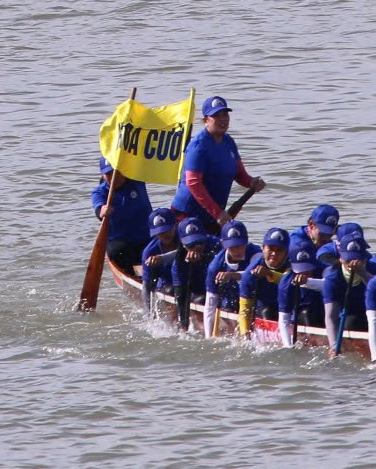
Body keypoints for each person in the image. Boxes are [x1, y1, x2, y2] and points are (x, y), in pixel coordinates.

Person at [170, 96, 264, 227]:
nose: (222, 119)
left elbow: (239, 174)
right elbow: (193, 183)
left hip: (213, 214)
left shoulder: (229, 141)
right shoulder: (198, 146)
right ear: (206, 121)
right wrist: (217, 213)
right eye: (216, 115)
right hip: (186, 213)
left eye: (225, 114)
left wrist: (251, 182)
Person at [92, 159, 152, 273]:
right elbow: (99, 210)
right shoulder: (100, 192)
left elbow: (143, 160)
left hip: (146, 238)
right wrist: (102, 211)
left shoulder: (137, 180)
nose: (113, 178)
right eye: (108, 174)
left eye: (116, 173)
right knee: (116, 251)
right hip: (122, 243)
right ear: (102, 175)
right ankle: (131, 276)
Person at [239, 227, 294, 340]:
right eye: (270, 248)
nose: (274, 253)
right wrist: (245, 334)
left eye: (279, 250)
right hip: (265, 311)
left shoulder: (294, 265)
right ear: (263, 248)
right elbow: (245, 310)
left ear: (287, 252)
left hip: (289, 309)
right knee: (267, 311)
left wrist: (269, 274)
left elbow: (288, 280)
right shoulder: (250, 274)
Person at [204, 220, 254, 336]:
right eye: (232, 247)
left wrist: (232, 275)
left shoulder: (256, 254)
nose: (237, 251)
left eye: (240, 246)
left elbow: (252, 274)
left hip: (252, 301)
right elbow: (210, 305)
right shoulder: (215, 267)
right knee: (228, 308)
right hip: (230, 303)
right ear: (223, 244)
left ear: (246, 241)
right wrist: (208, 337)